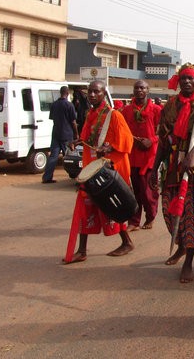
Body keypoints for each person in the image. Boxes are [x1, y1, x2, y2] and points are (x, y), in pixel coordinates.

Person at [152, 63, 194, 283]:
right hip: (171, 168)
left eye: (191, 78)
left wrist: (192, 154)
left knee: (191, 216)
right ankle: (180, 246)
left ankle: (188, 261)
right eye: (183, 79)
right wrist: (154, 168)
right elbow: (162, 140)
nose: (187, 82)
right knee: (169, 212)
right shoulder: (170, 105)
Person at [63, 80, 135, 264]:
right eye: (90, 92)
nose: (92, 95)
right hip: (92, 169)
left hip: (109, 170)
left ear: (104, 94)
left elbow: (127, 142)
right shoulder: (90, 114)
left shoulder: (114, 115)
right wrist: (77, 142)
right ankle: (82, 250)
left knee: (112, 207)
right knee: (85, 207)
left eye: (96, 92)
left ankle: (127, 242)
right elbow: (88, 138)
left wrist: (109, 148)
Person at [123, 80, 160, 231]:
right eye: (137, 87)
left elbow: (161, 131)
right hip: (132, 156)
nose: (139, 90)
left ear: (147, 90)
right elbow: (123, 130)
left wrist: (151, 141)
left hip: (150, 157)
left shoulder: (157, 110)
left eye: (142, 88)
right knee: (134, 191)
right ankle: (134, 221)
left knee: (148, 191)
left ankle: (150, 217)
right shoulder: (126, 110)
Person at [42, 86, 78, 183]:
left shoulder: (54, 104)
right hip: (67, 134)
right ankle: (76, 176)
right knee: (71, 156)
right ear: (67, 94)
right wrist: (76, 135)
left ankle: (47, 177)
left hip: (56, 133)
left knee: (53, 156)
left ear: (60, 93)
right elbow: (73, 122)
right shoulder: (69, 105)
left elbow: (53, 118)